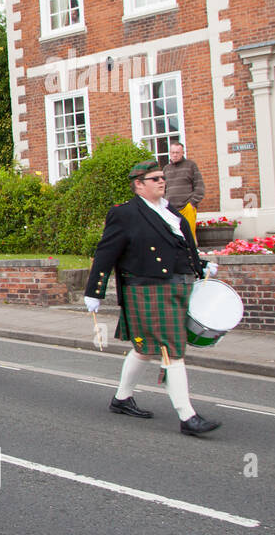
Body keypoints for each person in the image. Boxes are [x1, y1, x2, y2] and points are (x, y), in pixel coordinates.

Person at [84, 159, 222, 436]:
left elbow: (182, 246)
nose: (162, 182)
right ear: (138, 185)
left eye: (162, 178)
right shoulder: (126, 214)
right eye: (155, 179)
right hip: (148, 288)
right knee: (173, 350)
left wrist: (200, 266)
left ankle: (121, 399)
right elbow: (106, 252)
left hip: (178, 287)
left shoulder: (170, 210)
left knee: (145, 349)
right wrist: (94, 291)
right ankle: (188, 416)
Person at [162, 142, 205, 244]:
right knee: (173, 236)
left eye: (177, 152)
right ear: (169, 153)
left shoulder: (191, 165)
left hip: (187, 207)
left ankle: (192, 256)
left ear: (183, 153)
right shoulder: (166, 169)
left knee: (189, 236)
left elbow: (199, 186)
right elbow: (163, 188)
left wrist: (193, 203)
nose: (175, 155)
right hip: (170, 208)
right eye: (172, 152)